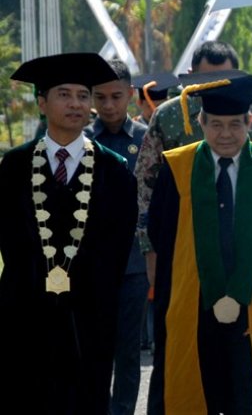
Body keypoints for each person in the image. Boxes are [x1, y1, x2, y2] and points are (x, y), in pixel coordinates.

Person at [147, 74, 252, 414]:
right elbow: (161, 232)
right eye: (216, 124)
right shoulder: (177, 167)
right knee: (195, 391)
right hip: (195, 306)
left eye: (235, 124)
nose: (226, 134)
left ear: (250, 122)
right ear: (200, 123)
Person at [0, 53, 137, 413]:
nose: (76, 104)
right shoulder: (13, 167)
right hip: (27, 317)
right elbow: (9, 243)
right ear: (42, 102)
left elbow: (118, 250)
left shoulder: (114, 170)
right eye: (64, 94)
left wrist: (87, 297)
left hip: (90, 318)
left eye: (82, 95)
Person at [134, 40, 252, 292]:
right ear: (191, 76)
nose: (217, 86)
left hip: (250, 241)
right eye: (208, 78)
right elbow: (145, 186)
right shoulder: (168, 115)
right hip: (186, 242)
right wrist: (150, 249)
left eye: (226, 77)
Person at [85, 59, 150, 415]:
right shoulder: (81, 139)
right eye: (100, 97)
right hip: (89, 262)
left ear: (130, 95)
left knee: (128, 349)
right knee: (94, 347)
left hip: (134, 262)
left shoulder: (145, 138)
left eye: (116, 96)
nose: (108, 105)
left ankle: (122, 410)